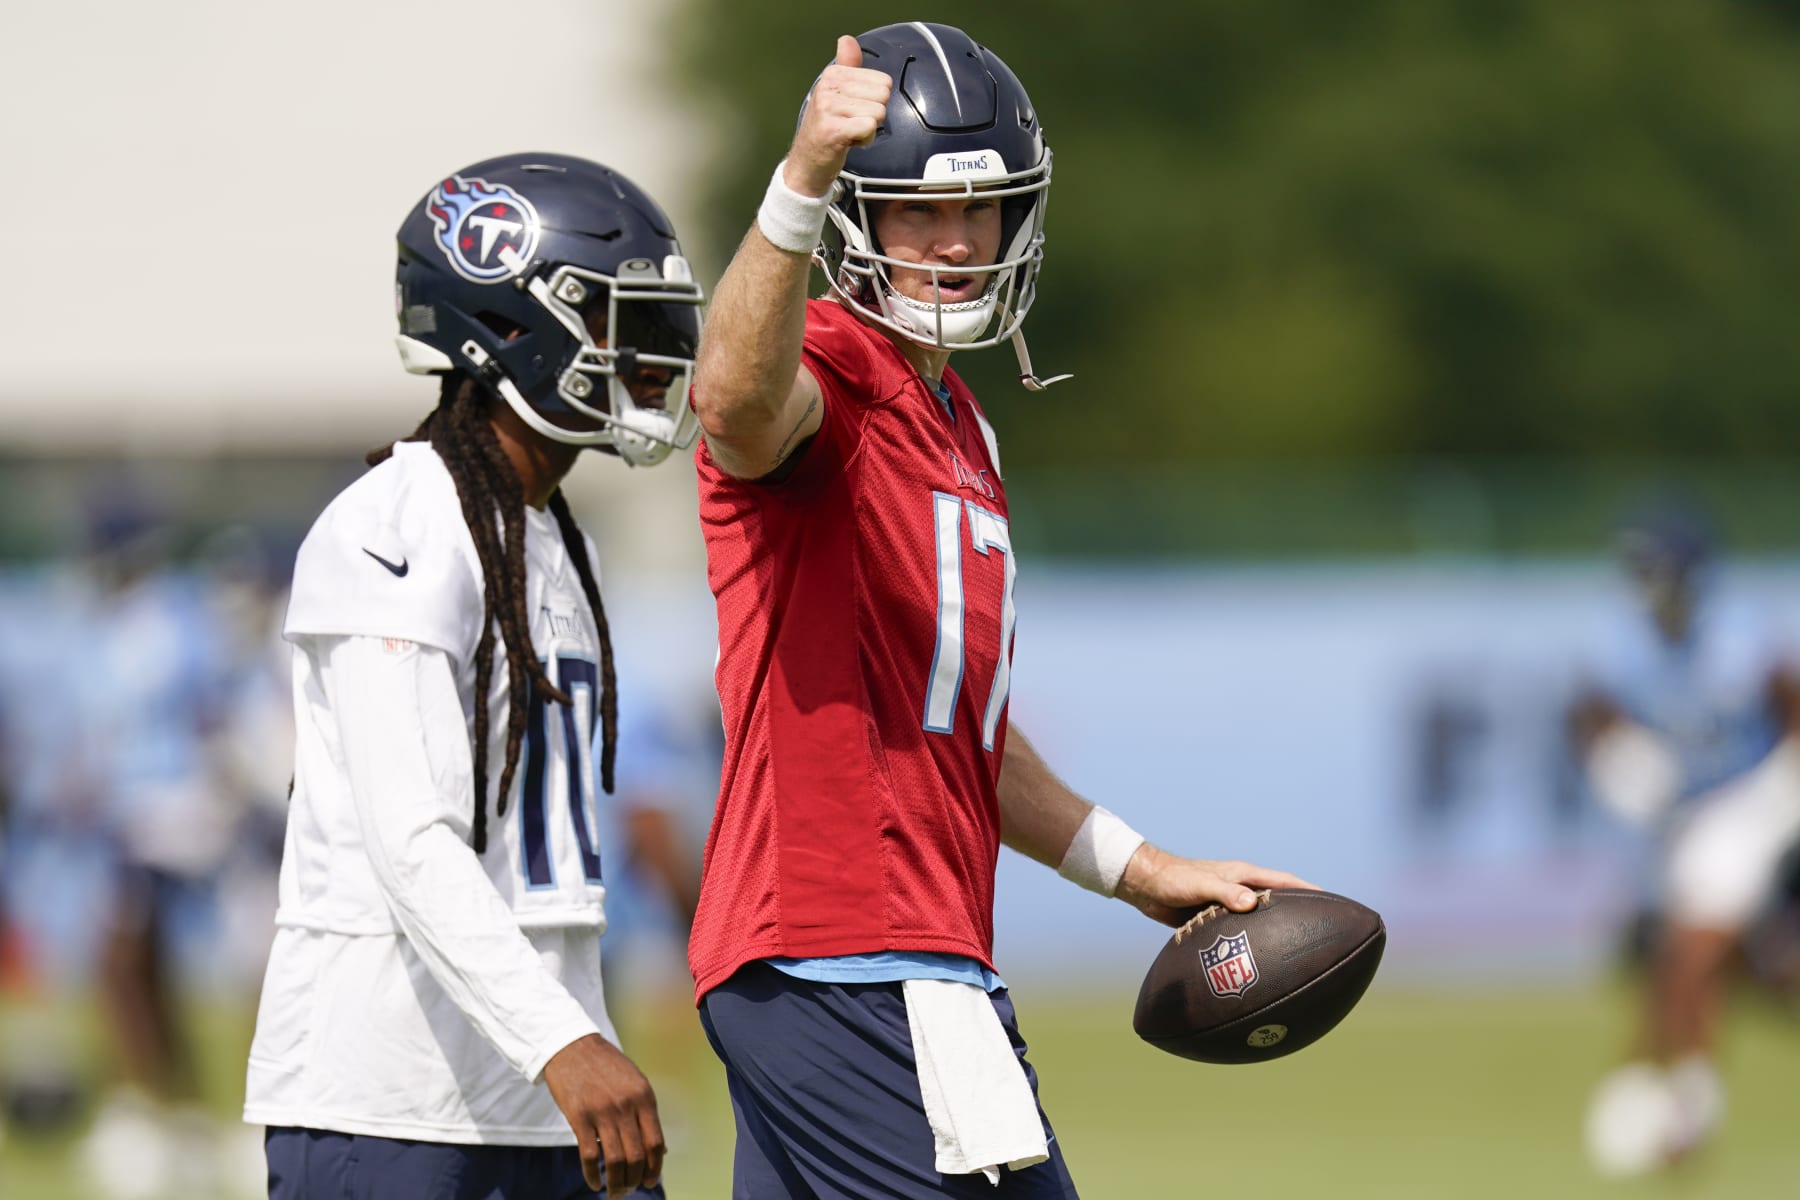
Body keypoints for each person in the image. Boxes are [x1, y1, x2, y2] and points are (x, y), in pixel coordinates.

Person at [687, 23, 1311, 1197]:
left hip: (896, 957)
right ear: (860, 222)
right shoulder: (831, 361)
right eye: (919, 213)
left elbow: (958, 733)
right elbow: (729, 401)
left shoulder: (962, 424)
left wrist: (1138, 867)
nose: (956, 243)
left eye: (981, 212)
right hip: (846, 953)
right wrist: (800, 176)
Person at [242, 153, 704, 1200]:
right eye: (613, 319)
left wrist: (575, 1037)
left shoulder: (542, 531)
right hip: (393, 1106)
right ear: (507, 328)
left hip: (540, 1094)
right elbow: (412, 839)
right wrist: (568, 1043)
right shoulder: (392, 527)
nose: (652, 355)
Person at [1572, 500, 1800, 1176]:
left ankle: (1683, 1105)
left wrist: (1779, 794)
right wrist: (1612, 756)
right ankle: (1665, 1086)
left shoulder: (1742, 636)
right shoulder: (1620, 639)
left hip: (1756, 798)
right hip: (1685, 818)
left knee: (1691, 946)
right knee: (1753, 965)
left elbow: (1791, 710)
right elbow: (1589, 715)